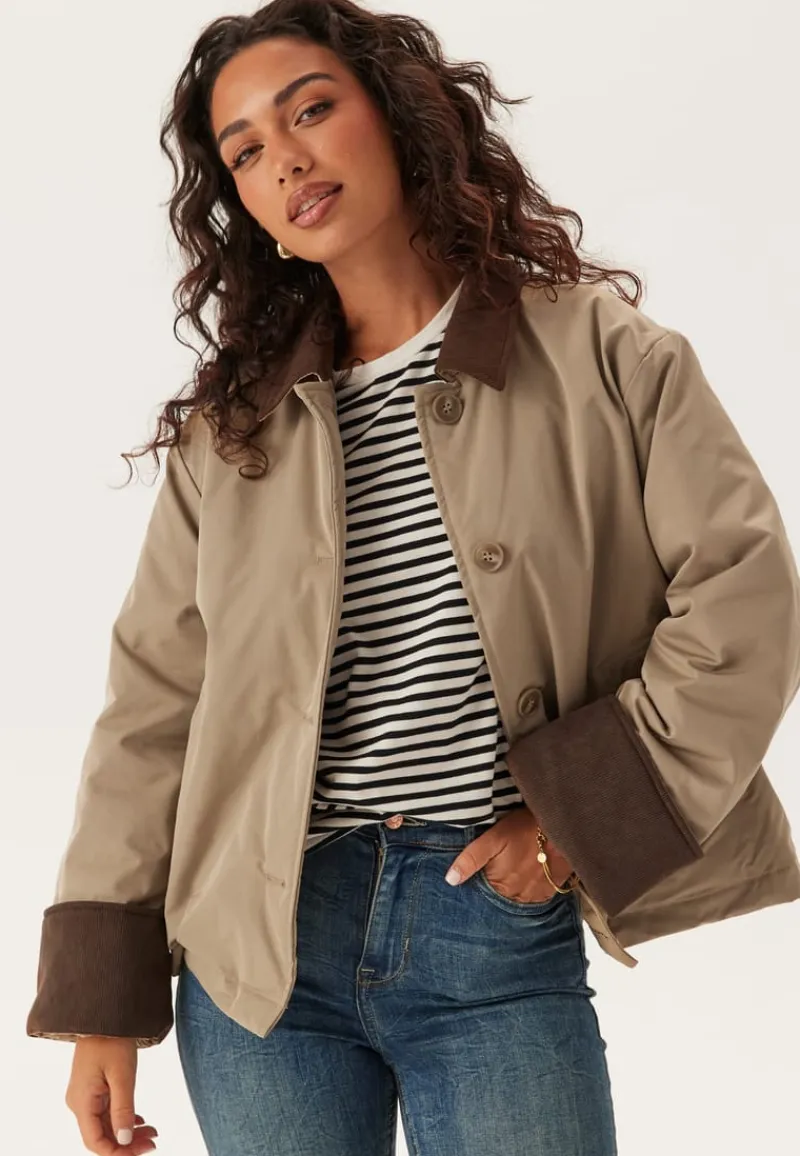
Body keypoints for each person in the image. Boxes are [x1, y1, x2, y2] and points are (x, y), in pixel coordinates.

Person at [26, 1, 800, 1154]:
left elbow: (743, 595)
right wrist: (103, 1001)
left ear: (394, 114)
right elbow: (153, 707)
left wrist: (569, 825)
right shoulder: (230, 438)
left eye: (309, 110)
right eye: (245, 151)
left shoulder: (596, 351)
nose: (285, 159)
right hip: (259, 959)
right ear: (245, 206)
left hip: (485, 925)